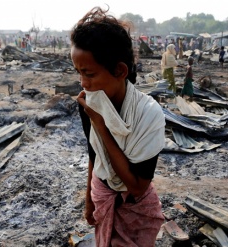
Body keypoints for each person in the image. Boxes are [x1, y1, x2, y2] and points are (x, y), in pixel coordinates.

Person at [71, 7, 165, 247]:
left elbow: (137, 185)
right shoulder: (89, 103)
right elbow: (94, 153)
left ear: (120, 71)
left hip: (134, 207)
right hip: (101, 194)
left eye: (89, 73)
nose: (82, 82)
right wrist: (89, 201)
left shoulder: (148, 114)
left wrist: (101, 125)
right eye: (78, 72)